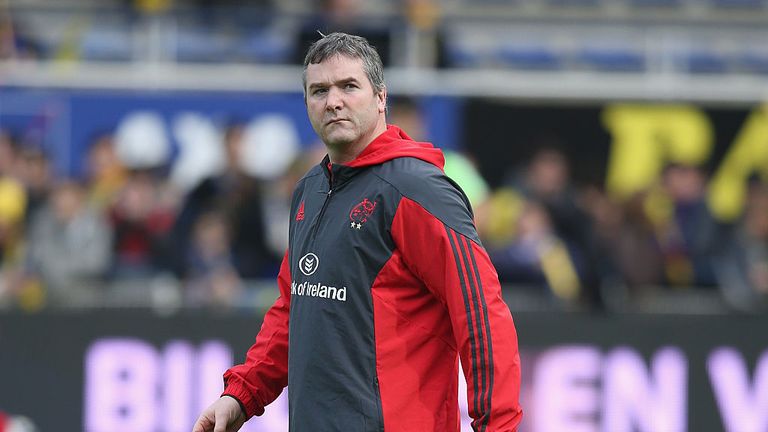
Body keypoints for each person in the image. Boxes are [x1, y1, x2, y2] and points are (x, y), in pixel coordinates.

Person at [193, 32, 522, 432]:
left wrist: (498, 427)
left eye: (349, 86)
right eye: (319, 90)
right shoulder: (310, 189)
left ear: (381, 97)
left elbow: (481, 316)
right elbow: (294, 305)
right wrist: (242, 395)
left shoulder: (418, 190)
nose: (333, 101)